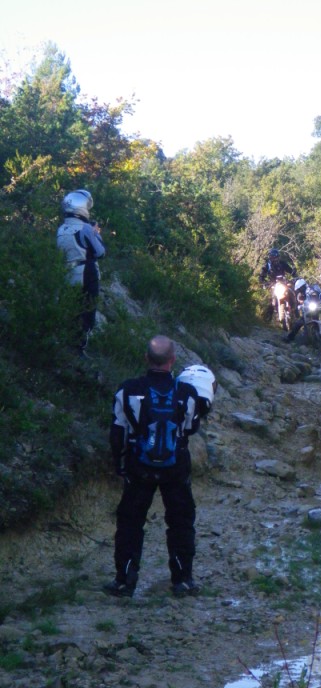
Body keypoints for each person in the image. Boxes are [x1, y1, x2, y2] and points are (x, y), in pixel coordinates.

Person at [104, 335, 212, 598]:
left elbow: (117, 432)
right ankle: (183, 580)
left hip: (138, 467)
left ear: (146, 359)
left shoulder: (127, 390)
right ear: (173, 360)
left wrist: (119, 464)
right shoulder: (186, 393)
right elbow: (191, 428)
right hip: (176, 468)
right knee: (181, 522)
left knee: (130, 523)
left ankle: (124, 582)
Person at [56, 189, 106, 356]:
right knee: (88, 310)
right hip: (86, 273)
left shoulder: (61, 228)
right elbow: (100, 252)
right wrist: (96, 234)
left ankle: (64, 344)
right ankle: (79, 349)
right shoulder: (85, 228)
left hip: (66, 273)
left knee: (70, 309)